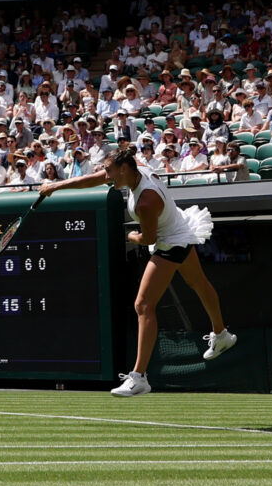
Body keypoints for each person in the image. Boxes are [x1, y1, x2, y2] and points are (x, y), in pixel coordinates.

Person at [36, 147, 235, 397]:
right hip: (179, 229)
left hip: (170, 242)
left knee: (143, 305)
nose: (105, 174)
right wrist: (56, 186)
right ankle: (221, 333)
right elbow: (92, 179)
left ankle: (139, 377)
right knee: (199, 283)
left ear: (124, 169)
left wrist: (131, 235)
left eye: (109, 170)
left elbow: (148, 237)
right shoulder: (135, 168)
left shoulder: (145, 202)